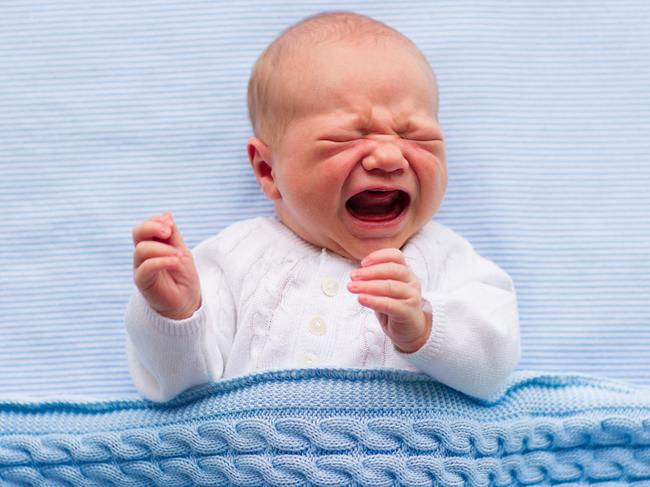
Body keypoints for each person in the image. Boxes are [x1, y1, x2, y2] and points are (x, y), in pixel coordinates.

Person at [125, 11, 520, 402]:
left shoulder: (448, 259)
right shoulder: (233, 258)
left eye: (416, 135)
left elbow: (494, 370)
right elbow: (179, 388)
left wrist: (424, 326)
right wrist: (176, 317)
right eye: (345, 138)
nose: (387, 156)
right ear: (267, 169)